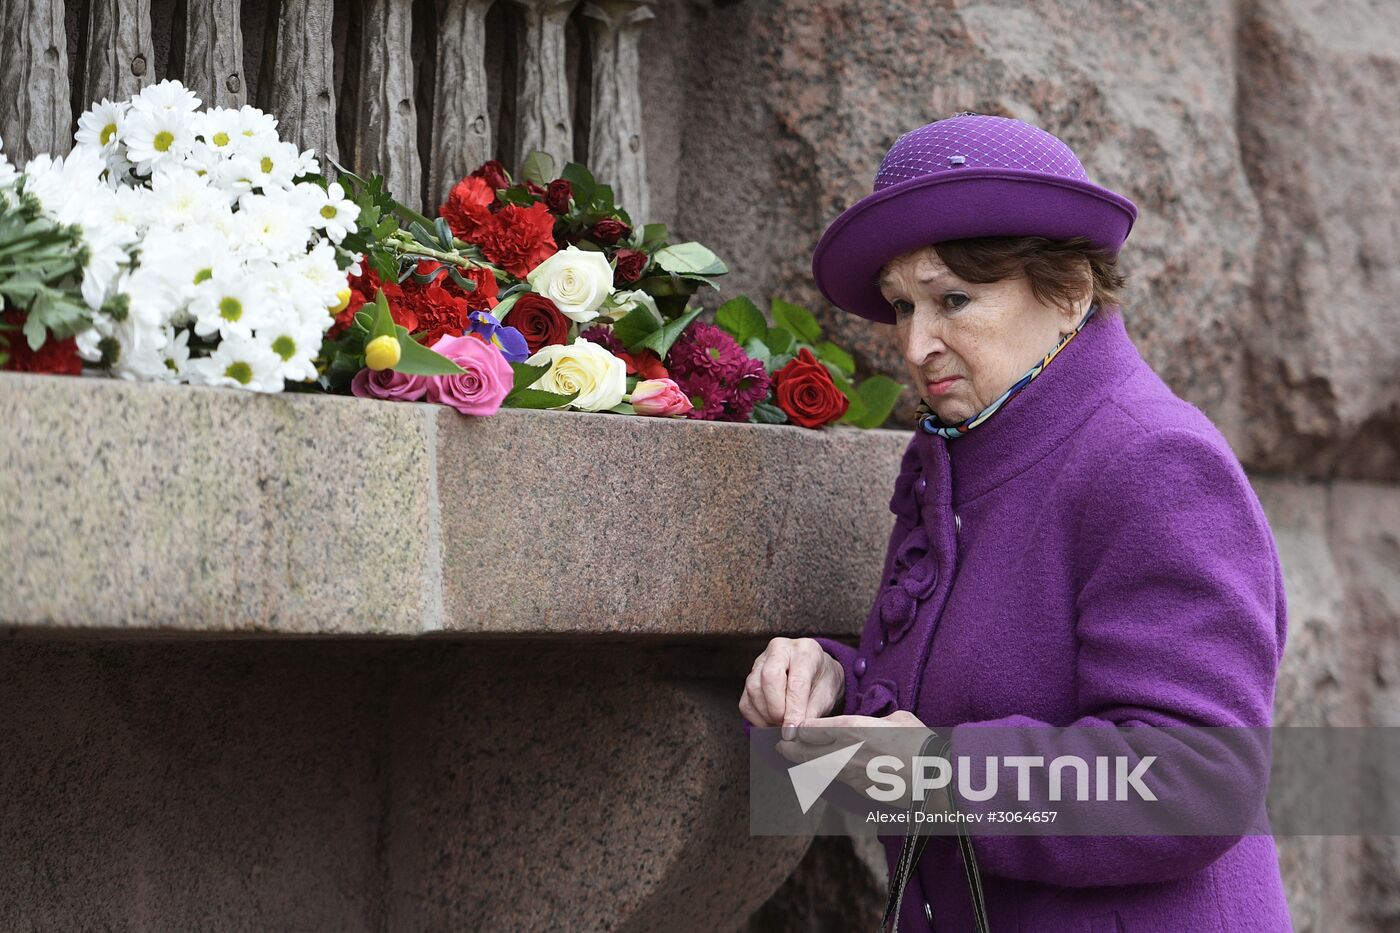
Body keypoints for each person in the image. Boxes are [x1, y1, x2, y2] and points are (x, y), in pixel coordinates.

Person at [738, 113, 1292, 931]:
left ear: (1068, 291)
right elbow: (959, 699)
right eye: (901, 306)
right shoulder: (965, 451)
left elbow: (1199, 778)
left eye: (954, 299)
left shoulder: (1152, 458)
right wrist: (826, 683)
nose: (916, 344)